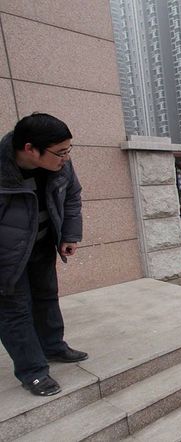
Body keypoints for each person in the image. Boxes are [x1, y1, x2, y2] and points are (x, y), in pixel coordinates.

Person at [0, 113, 87, 397]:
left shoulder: (60, 165)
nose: (65, 158)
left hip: (40, 244)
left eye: (68, 150)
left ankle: (53, 346)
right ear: (30, 149)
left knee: (46, 296)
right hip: (6, 257)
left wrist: (69, 234)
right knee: (15, 311)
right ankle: (33, 372)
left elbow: (72, 195)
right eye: (60, 152)